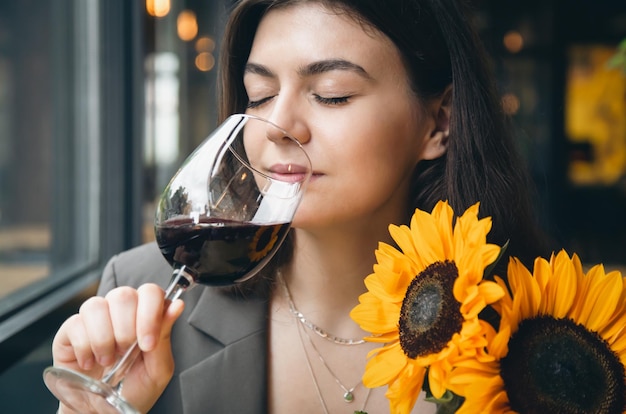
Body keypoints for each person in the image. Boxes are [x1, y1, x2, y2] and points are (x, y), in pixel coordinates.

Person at [51, 0, 550, 413]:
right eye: (260, 95)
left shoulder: (534, 339)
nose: (280, 125)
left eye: (331, 95)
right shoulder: (140, 304)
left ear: (439, 123)